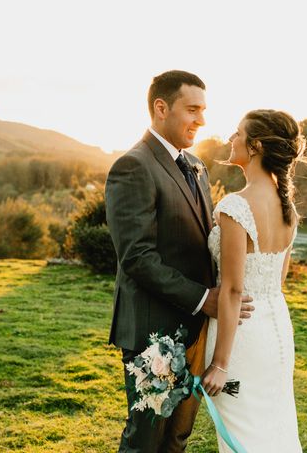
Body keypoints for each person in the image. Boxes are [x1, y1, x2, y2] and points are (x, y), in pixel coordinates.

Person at [104, 70, 254, 453]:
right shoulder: (133, 166)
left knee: (177, 440)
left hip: (197, 332)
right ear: (160, 108)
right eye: (192, 110)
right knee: (145, 440)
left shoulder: (196, 167)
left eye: (203, 110)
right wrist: (207, 298)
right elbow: (137, 257)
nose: (202, 120)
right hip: (153, 331)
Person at [202, 109, 305, 452]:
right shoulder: (286, 207)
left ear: (256, 145)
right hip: (276, 334)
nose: (231, 139)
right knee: (273, 429)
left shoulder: (236, 206)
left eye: (237, 133)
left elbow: (232, 290)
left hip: (241, 338)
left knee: (242, 437)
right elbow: (279, 279)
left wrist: (219, 364)